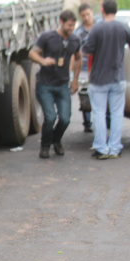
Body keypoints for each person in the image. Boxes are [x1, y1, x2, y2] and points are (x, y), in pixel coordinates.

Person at [83, 0, 130, 159]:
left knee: (99, 113)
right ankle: (115, 148)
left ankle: (101, 148)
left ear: (102, 9)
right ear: (116, 10)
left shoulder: (96, 29)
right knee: (116, 113)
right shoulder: (124, 28)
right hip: (118, 77)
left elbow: (87, 52)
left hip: (99, 79)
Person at [29, 9, 82, 159]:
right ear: (61, 22)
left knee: (65, 118)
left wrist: (75, 79)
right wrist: (43, 61)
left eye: (73, 25)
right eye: (69, 25)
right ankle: (45, 146)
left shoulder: (75, 40)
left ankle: (56, 140)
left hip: (62, 84)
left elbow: (78, 58)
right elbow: (32, 53)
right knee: (50, 117)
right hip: (45, 84)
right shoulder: (48, 37)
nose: (71, 28)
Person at [73, 3, 97, 133]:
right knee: (85, 94)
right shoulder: (79, 33)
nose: (86, 17)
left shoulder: (100, 26)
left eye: (88, 14)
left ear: (92, 12)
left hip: (99, 65)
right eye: (83, 16)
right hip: (84, 67)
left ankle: (107, 118)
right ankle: (87, 122)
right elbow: (76, 53)